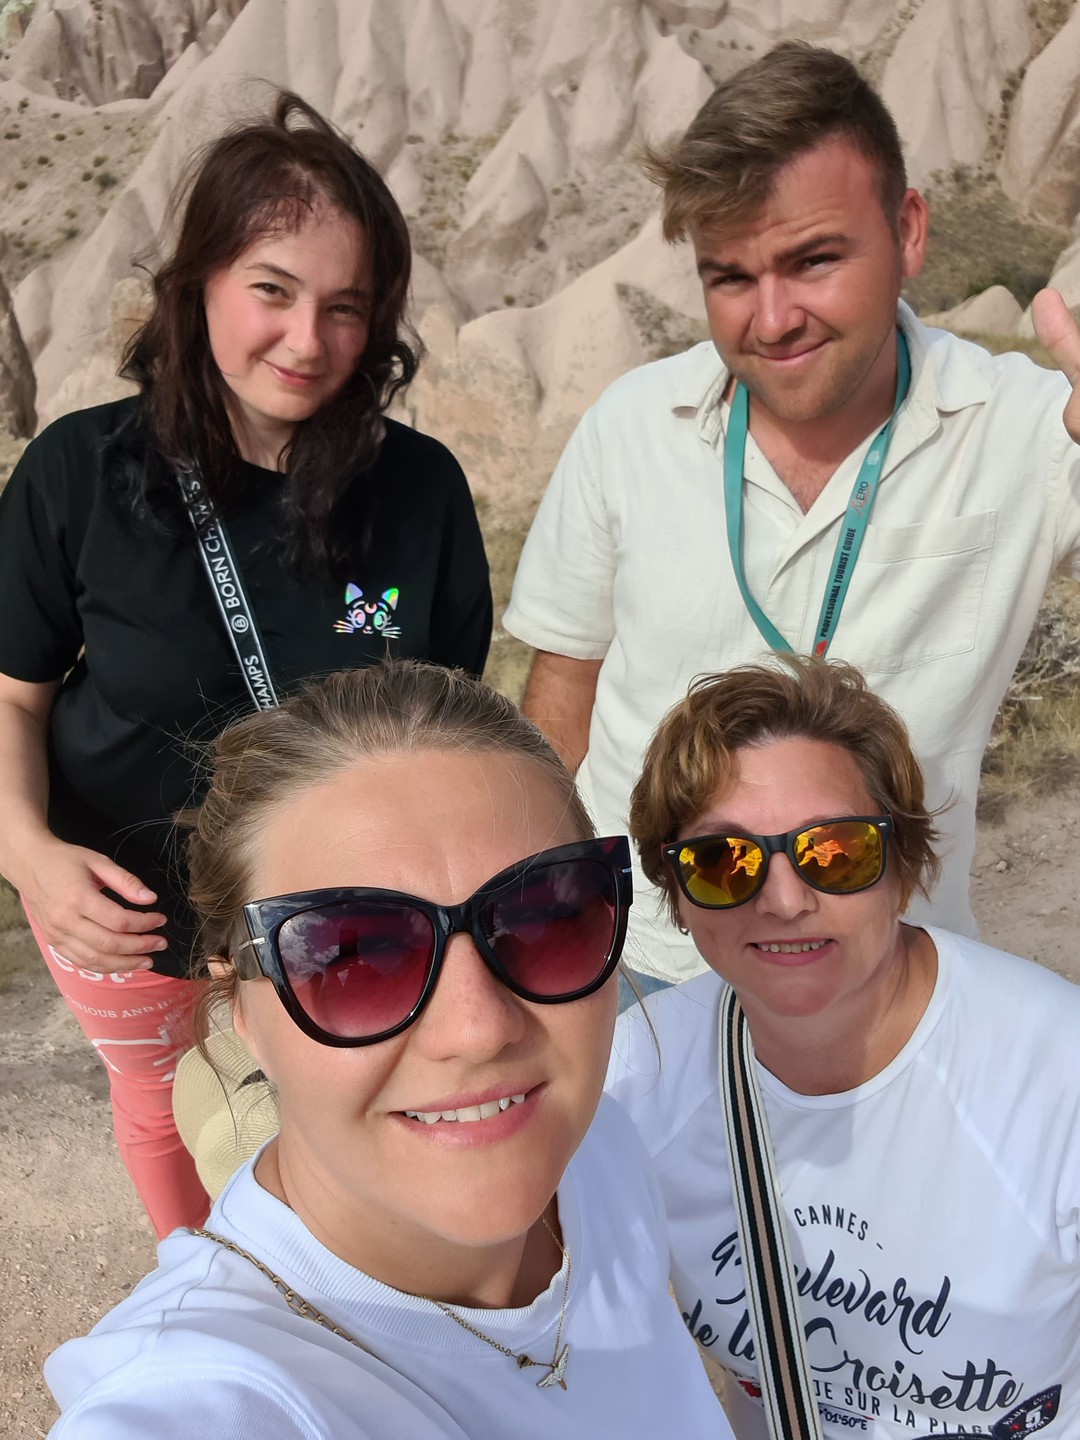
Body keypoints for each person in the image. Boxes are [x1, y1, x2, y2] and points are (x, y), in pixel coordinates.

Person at [0, 94, 492, 1237]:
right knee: (162, 1107)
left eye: (345, 308)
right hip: (125, 910)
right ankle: (199, 1284)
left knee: (352, 1113)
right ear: (201, 286)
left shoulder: (417, 494)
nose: (307, 340)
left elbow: (447, 723)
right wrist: (28, 857)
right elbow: (13, 695)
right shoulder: (78, 473)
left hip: (341, 912)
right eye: (272, 290)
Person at [503, 38, 1080, 984]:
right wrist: (533, 901)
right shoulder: (632, 425)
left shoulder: (1031, 428)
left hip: (885, 970)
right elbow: (565, 687)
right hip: (641, 960)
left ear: (910, 231)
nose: (771, 321)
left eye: (813, 261)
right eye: (730, 276)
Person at [44, 660, 728, 1440]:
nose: (479, 1029)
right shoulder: (208, 1393)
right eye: (352, 958)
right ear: (240, 1009)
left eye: (543, 918)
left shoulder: (596, 1144)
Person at [608, 655, 1080, 1440]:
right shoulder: (634, 1079)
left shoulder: (1056, 1077)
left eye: (835, 851)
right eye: (724, 862)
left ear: (904, 868)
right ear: (678, 897)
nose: (785, 900)